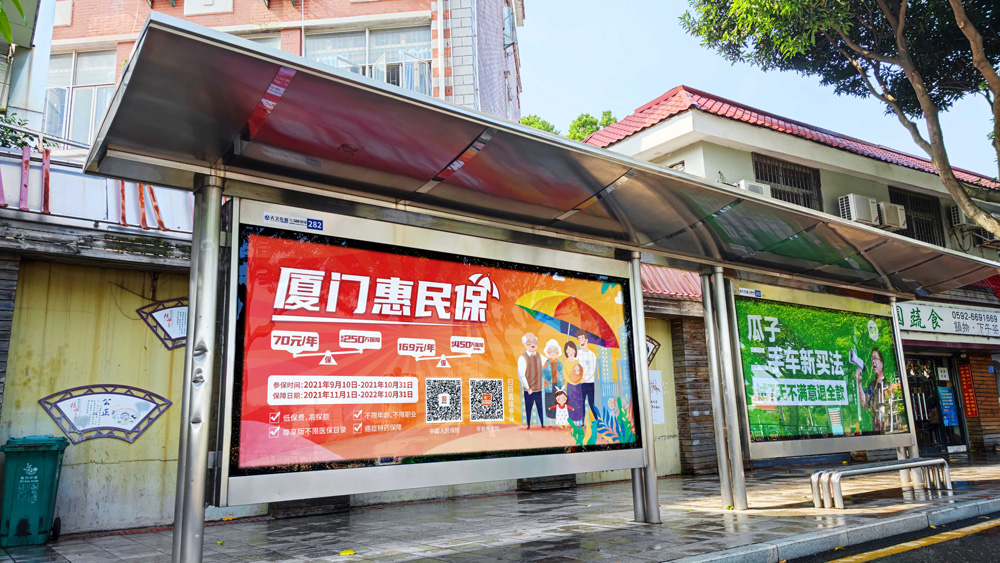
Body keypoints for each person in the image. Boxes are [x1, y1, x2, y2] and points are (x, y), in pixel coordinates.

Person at [856, 348, 888, 433]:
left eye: (875, 358)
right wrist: (859, 383)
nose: (873, 361)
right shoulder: (872, 385)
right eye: (872, 359)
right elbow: (865, 405)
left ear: (882, 363)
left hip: (887, 430)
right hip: (875, 430)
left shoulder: (888, 385)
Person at [517, 332, 545, 429]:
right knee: (528, 408)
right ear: (525, 344)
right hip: (529, 390)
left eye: (534, 341)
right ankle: (528, 425)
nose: (532, 344)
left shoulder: (540, 356)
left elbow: (548, 363)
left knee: (540, 408)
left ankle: (542, 424)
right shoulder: (522, 358)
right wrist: (528, 388)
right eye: (529, 342)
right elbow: (521, 375)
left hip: (539, 388)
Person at [576, 331, 601, 422]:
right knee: (581, 403)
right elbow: (575, 368)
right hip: (580, 384)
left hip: (590, 383)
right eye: (579, 339)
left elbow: (592, 370)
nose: (581, 340)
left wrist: (584, 378)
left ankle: (597, 419)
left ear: (586, 340)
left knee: (591, 403)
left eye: (582, 338)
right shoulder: (577, 354)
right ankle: (582, 421)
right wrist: (579, 378)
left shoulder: (592, 355)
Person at [541, 339, 563, 421]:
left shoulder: (559, 362)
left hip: (558, 385)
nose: (553, 353)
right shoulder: (547, 362)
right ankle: (549, 415)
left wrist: (558, 374)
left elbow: (562, 374)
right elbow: (543, 373)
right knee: (549, 400)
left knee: (557, 399)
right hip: (549, 385)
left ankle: (557, 415)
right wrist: (549, 376)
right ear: (548, 352)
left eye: (555, 351)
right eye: (551, 351)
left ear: (558, 352)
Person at [563, 341, 585, 424]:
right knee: (571, 401)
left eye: (572, 350)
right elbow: (565, 374)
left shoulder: (577, 362)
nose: (570, 352)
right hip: (570, 386)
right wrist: (570, 382)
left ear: (575, 351)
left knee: (578, 402)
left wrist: (578, 381)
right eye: (568, 350)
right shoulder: (566, 363)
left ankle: (579, 419)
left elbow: (581, 373)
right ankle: (571, 419)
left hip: (577, 386)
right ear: (566, 352)